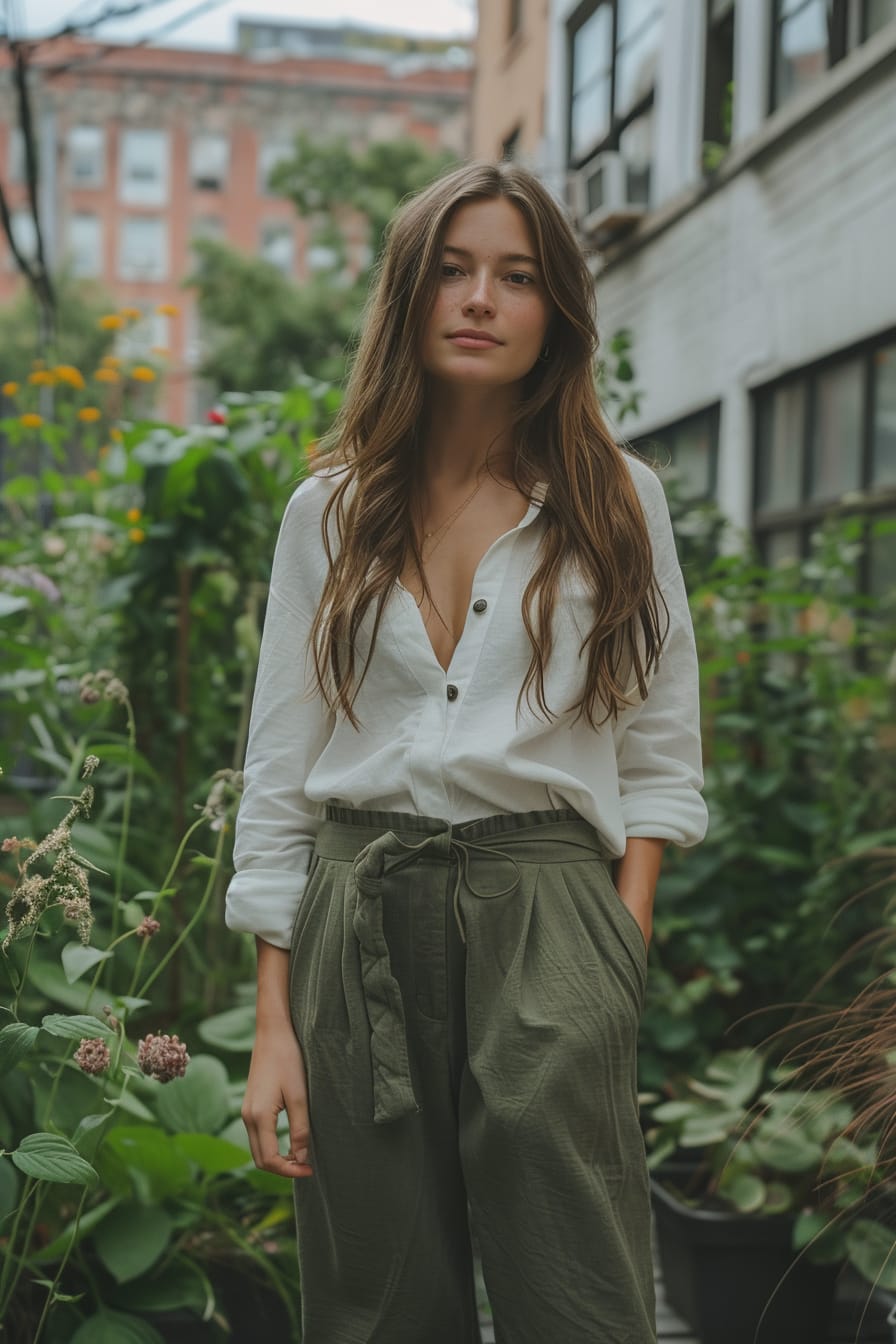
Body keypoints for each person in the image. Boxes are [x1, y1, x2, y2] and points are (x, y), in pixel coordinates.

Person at [226, 160, 708, 1344]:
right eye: (451, 271)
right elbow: (281, 772)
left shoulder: (617, 502)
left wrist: (613, 948)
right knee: (373, 1302)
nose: (479, 298)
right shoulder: (325, 517)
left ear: (555, 312)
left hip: (546, 905)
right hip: (359, 909)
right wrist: (273, 1027)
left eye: (515, 275)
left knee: (579, 1293)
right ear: (407, 296)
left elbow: (657, 748)